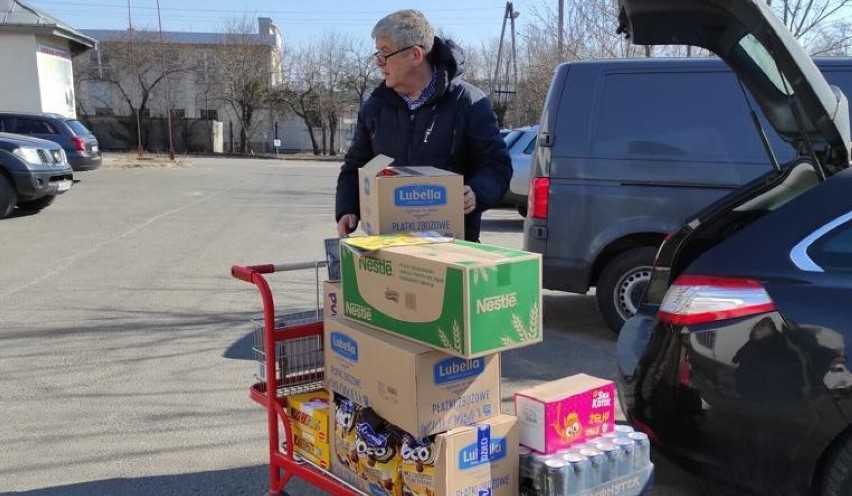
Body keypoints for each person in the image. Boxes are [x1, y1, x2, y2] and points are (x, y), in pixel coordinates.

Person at [335, 9, 512, 242]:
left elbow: (497, 166)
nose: (378, 62)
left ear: (416, 55)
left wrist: (477, 192)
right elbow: (355, 166)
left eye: (385, 52)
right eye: (377, 52)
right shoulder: (375, 107)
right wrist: (348, 208)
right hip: (389, 247)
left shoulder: (468, 103)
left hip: (452, 250)